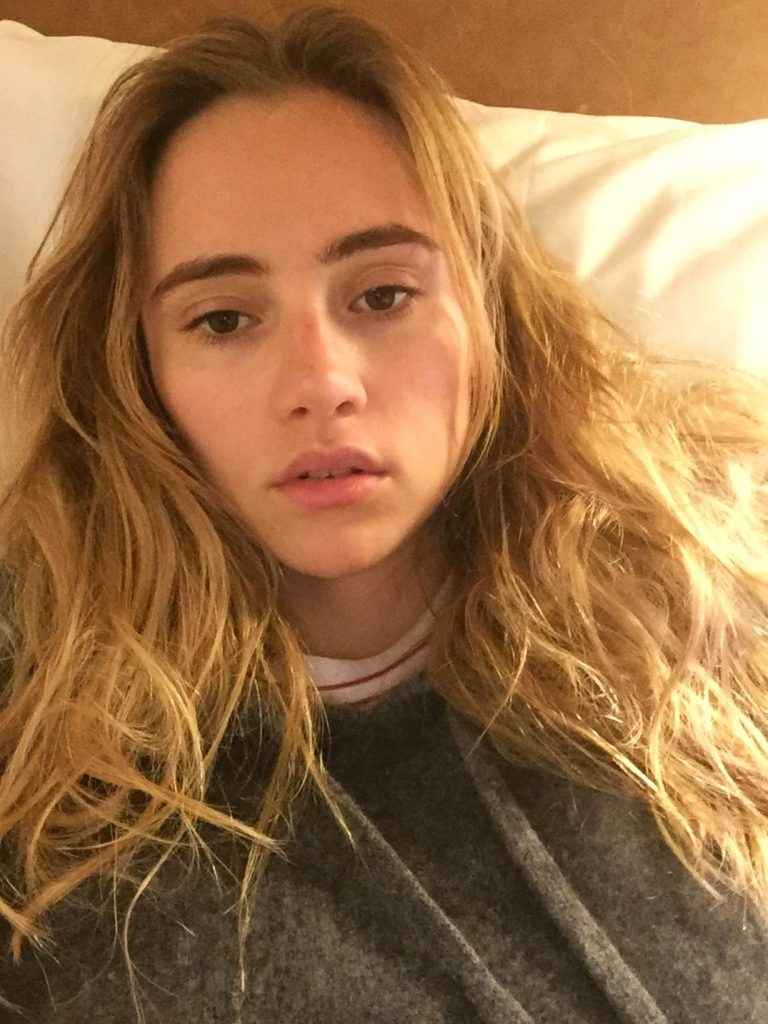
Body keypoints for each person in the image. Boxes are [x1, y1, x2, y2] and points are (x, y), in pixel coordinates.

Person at [1, 4, 767, 1022]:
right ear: (139, 372)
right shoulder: (38, 705)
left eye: (383, 296)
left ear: (489, 311)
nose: (321, 383)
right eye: (223, 318)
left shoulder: (710, 575)